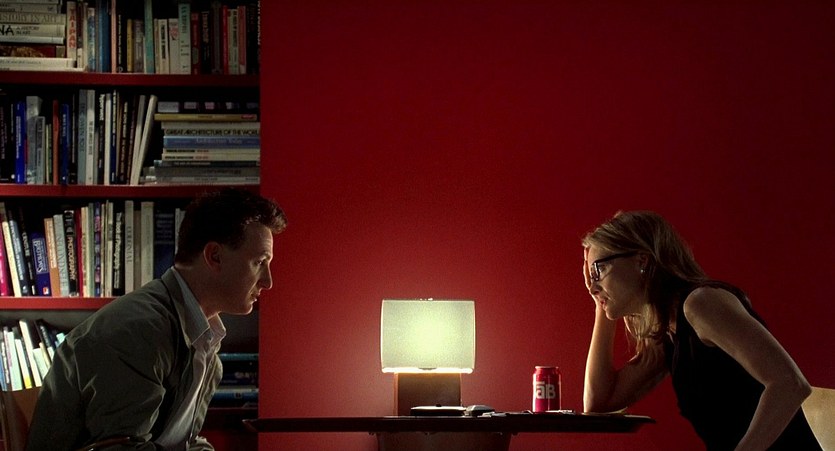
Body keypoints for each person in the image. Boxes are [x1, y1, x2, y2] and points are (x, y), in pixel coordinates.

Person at [26, 188, 287, 451]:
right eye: (259, 262)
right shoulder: (139, 332)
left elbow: (183, 443)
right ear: (214, 256)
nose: (268, 282)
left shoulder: (203, 342)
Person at [582, 211, 820, 451]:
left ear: (642, 261)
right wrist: (601, 305)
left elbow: (791, 384)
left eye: (599, 270)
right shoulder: (669, 332)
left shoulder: (701, 304)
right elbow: (599, 402)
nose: (591, 286)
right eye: (590, 276)